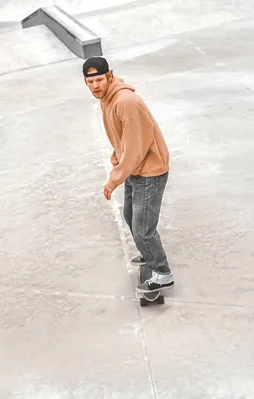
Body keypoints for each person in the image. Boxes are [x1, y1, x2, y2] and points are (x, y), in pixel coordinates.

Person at [82, 56, 174, 293]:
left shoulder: (125, 102)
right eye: (90, 82)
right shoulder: (106, 98)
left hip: (149, 171)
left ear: (109, 76)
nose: (95, 86)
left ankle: (163, 273)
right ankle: (148, 253)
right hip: (135, 168)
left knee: (143, 227)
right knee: (130, 214)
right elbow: (122, 139)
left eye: (99, 80)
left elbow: (135, 148)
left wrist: (114, 178)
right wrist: (119, 160)